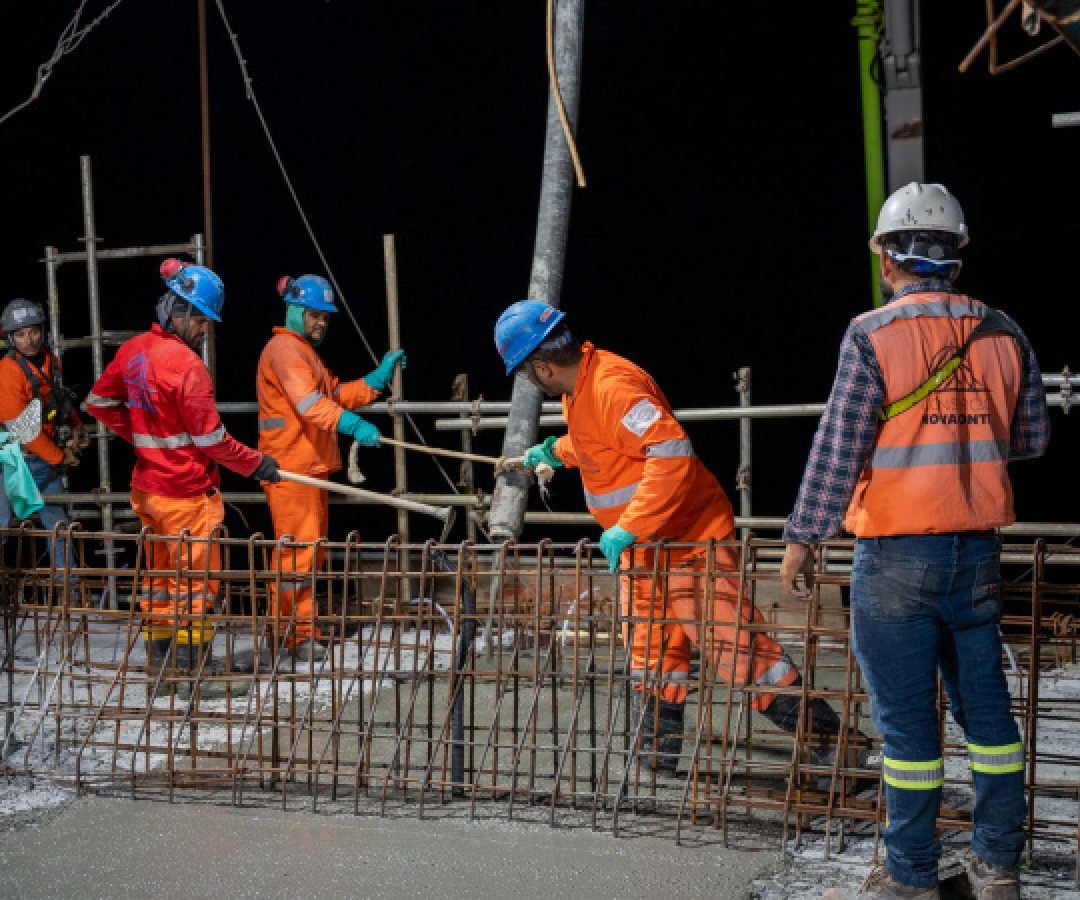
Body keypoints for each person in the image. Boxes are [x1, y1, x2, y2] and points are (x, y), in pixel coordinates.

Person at [780, 183, 1049, 900]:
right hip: (978, 553)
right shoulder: (1005, 331)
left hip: (897, 556)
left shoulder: (872, 334)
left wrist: (804, 536)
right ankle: (998, 868)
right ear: (956, 257)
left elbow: (838, 449)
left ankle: (911, 877)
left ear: (884, 254)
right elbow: (1030, 439)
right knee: (988, 716)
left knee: (906, 731)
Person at [495, 300, 859, 775]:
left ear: (540, 367)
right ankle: (658, 753)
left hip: (688, 541)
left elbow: (671, 455)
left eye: (524, 373)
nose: (528, 381)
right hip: (644, 549)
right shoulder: (581, 390)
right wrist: (556, 451)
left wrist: (629, 525)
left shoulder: (613, 385)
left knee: (734, 648)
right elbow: (604, 443)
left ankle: (832, 740)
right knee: (651, 650)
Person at [86, 259, 281, 676]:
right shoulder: (188, 367)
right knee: (195, 585)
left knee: (160, 580)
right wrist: (257, 465)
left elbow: (98, 404)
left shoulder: (133, 350)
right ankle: (191, 670)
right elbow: (212, 441)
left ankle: (162, 664)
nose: (204, 329)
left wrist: (144, 437)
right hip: (186, 493)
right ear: (176, 311)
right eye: (200, 320)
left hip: (148, 491)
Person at [243, 273, 405, 668]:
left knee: (308, 553)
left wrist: (375, 381)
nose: (321, 323)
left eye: (326, 318)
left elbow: (334, 395)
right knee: (296, 556)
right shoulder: (285, 349)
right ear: (296, 310)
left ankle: (300, 628)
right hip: (291, 468)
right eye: (316, 315)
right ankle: (293, 633)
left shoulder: (303, 352)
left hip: (307, 466)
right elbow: (312, 405)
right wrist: (352, 425)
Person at [0, 298, 88, 576]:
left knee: (58, 525)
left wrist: (76, 424)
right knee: (1, 524)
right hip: (12, 462)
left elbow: (56, 399)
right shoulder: (7, 372)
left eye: (34, 331)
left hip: (42, 461)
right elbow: (22, 430)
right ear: (11, 338)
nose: (30, 340)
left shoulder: (50, 361)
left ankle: (68, 591)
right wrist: (61, 457)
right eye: (21, 334)